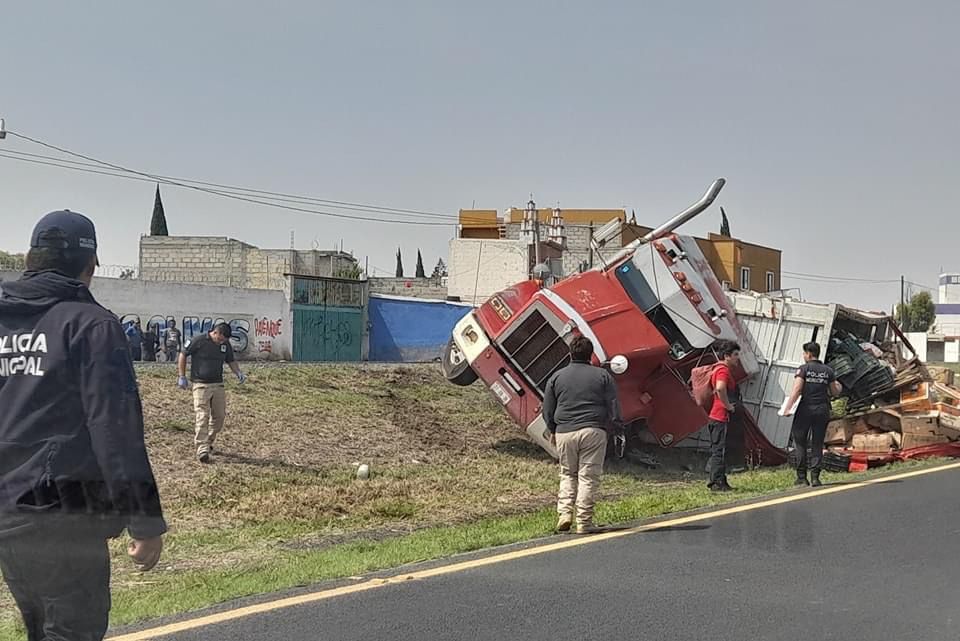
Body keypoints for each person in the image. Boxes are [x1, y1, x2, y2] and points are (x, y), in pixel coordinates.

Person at [0, 210, 167, 641]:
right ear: (89, 266)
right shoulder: (91, 325)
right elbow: (115, 431)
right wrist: (145, 521)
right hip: (63, 515)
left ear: (31, 258)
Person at [542, 335, 623, 535]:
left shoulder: (557, 377)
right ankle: (584, 522)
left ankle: (564, 514)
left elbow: (547, 409)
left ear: (570, 353)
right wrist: (617, 428)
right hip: (593, 430)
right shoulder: (602, 376)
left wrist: (552, 429)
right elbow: (613, 406)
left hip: (564, 432)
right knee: (587, 477)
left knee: (568, 473)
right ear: (591, 354)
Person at [178, 323, 246, 463]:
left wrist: (238, 372)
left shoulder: (225, 345)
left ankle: (209, 440)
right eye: (220, 339)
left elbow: (230, 360)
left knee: (219, 417)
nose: (222, 342)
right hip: (201, 384)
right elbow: (183, 354)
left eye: (224, 341)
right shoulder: (198, 340)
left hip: (218, 385)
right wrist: (182, 376)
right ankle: (202, 448)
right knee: (202, 415)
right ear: (215, 332)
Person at [783, 342, 842, 487]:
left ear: (809, 354)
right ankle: (815, 477)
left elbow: (797, 389)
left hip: (805, 409)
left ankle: (802, 478)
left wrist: (788, 408)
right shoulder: (828, 371)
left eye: (804, 353)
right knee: (817, 443)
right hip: (822, 410)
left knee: (800, 443)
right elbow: (835, 392)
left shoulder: (803, 369)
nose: (803, 356)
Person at [706, 340, 742, 493]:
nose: (737, 358)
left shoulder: (720, 369)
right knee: (719, 451)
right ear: (726, 356)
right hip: (720, 416)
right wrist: (728, 406)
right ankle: (716, 483)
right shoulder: (723, 371)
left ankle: (721, 480)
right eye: (735, 355)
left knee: (720, 449)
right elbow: (720, 388)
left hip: (717, 416)